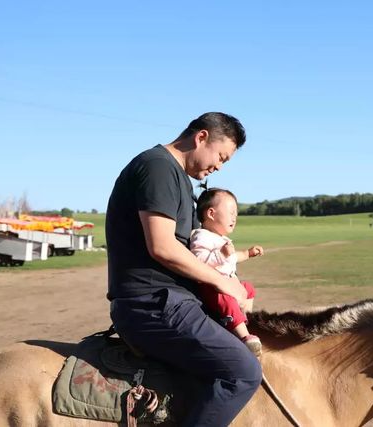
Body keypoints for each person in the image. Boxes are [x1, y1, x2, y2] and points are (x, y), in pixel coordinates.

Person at [105, 112, 262, 427]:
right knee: (244, 373)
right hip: (153, 304)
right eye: (221, 156)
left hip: (171, 302)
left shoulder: (179, 181)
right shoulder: (157, 167)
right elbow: (162, 246)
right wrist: (223, 284)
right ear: (201, 137)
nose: (218, 166)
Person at [190, 188, 264, 356]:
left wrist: (247, 254)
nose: (234, 218)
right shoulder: (202, 236)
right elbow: (199, 261)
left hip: (228, 284)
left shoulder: (220, 239)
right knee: (227, 301)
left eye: (236, 214)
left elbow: (231, 258)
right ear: (211, 213)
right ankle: (244, 336)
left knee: (249, 288)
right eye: (231, 212)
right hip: (212, 289)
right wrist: (221, 254)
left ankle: (245, 319)